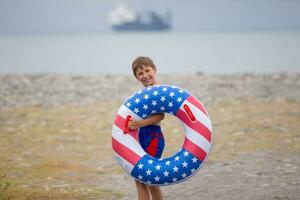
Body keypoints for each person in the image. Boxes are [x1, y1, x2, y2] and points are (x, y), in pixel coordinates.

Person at [128, 56, 165, 200]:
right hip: (141, 136)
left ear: (154, 70)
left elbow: (160, 116)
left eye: (147, 70)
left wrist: (139, 123)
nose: (145, 75)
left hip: (153, 137)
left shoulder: (158, 91)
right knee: (142, 180)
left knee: (146, 179)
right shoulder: (142, 95)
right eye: (140, 73)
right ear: (137, 77)